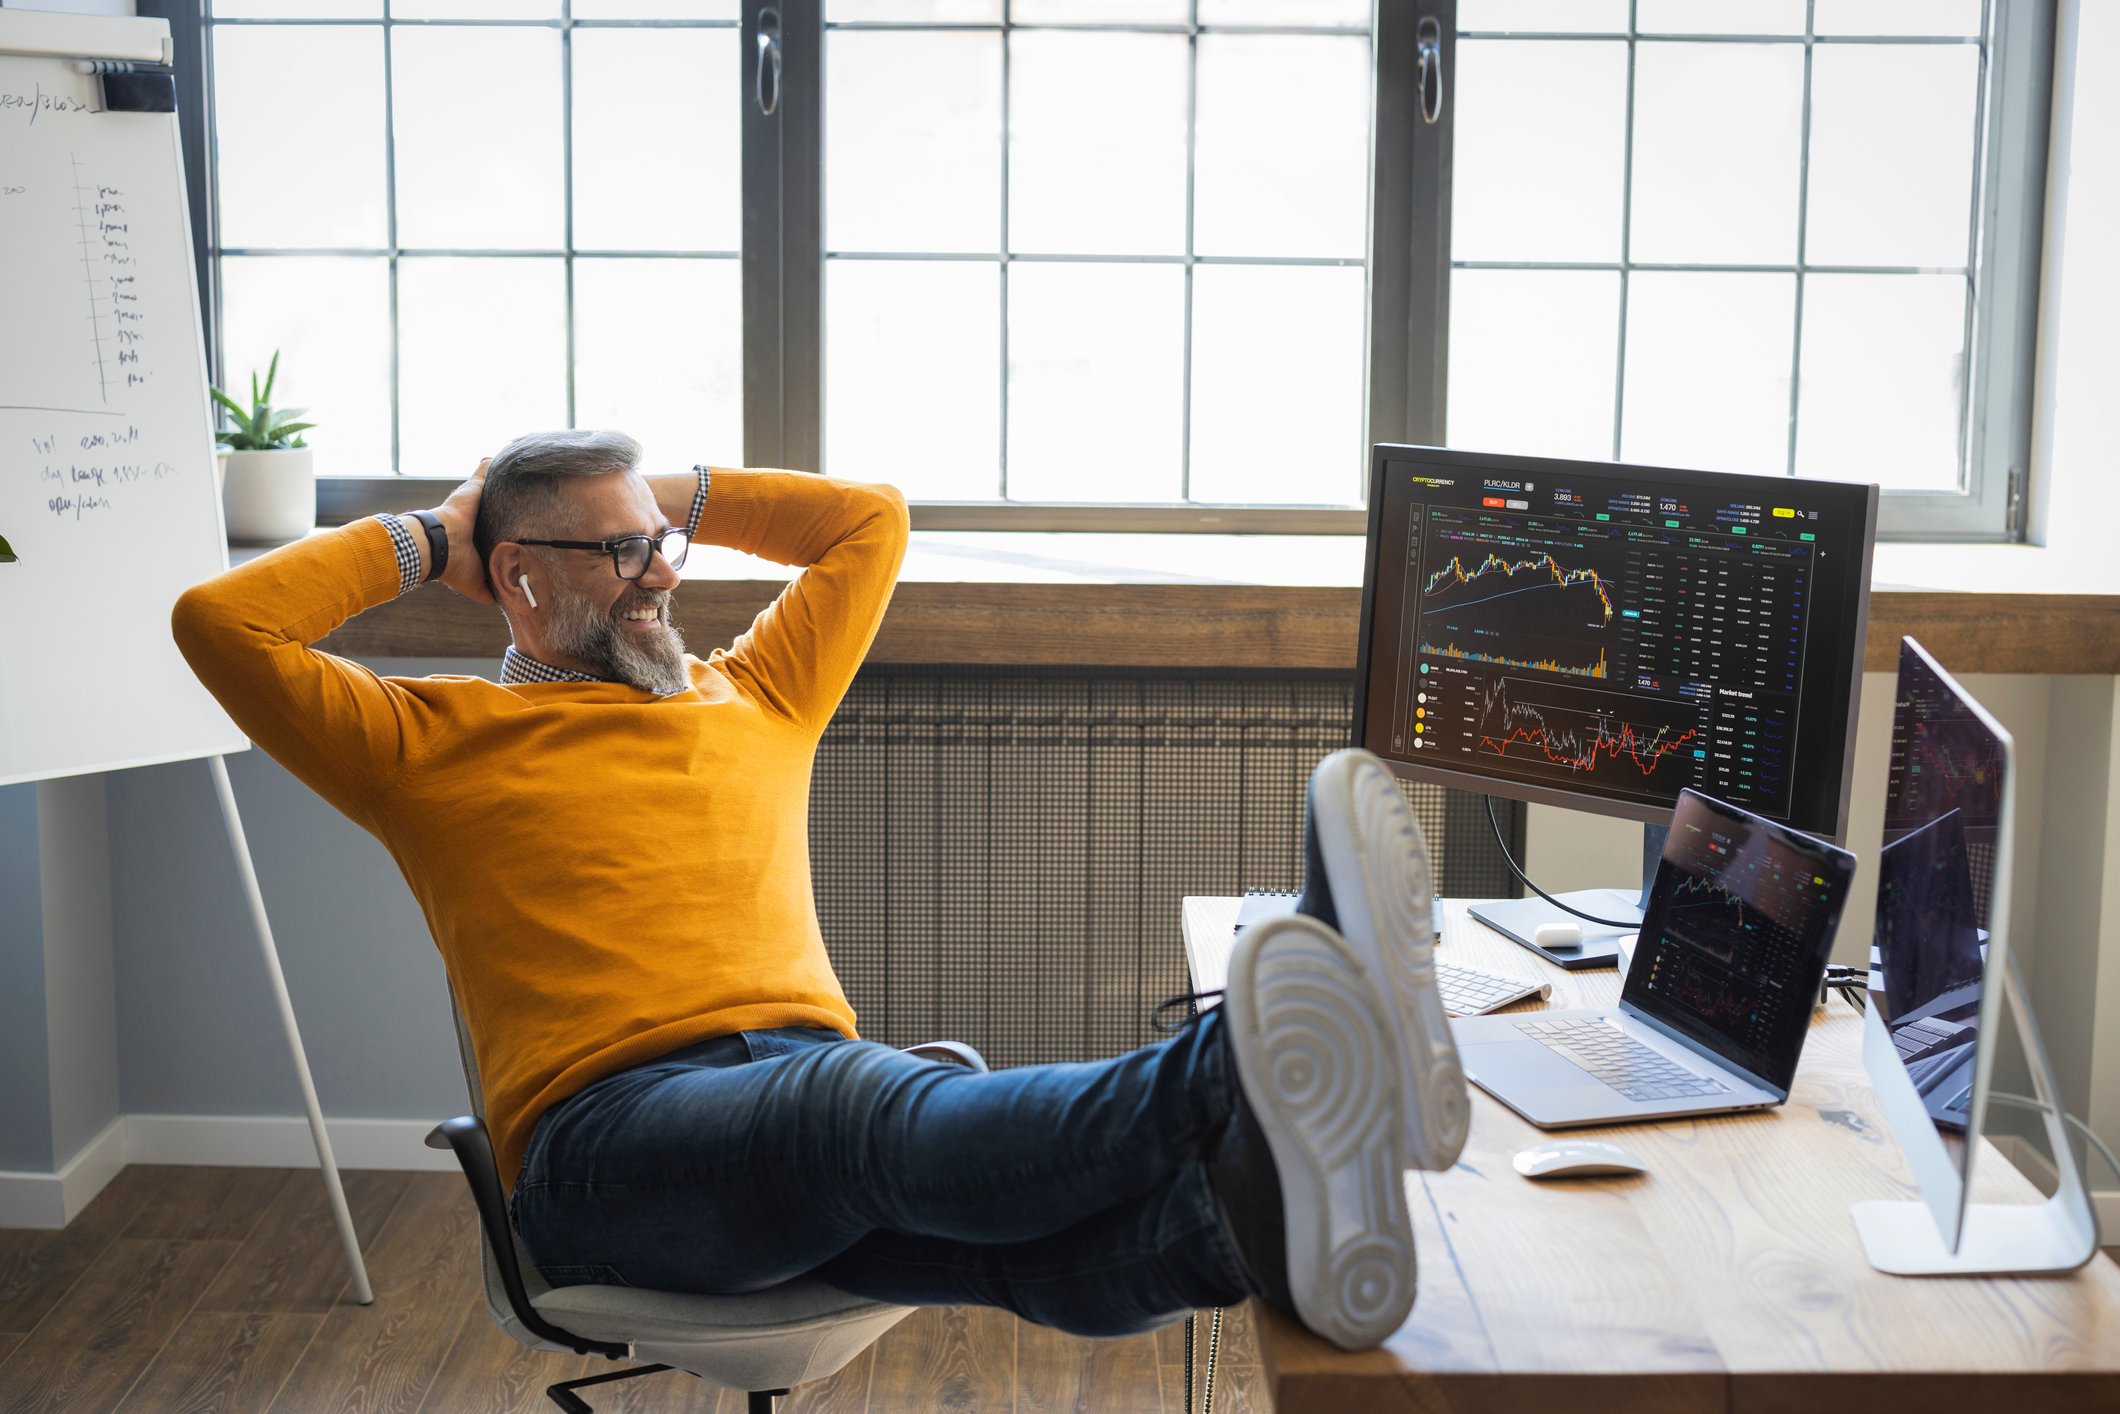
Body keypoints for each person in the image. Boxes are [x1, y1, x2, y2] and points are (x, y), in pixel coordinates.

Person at [171, 429, 1468, 1351]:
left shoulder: (755, 689)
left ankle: (1257, 1230)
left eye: (664, 540)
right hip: (608, 1154)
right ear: (518, 577)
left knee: (1018, 1245)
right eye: (621, 552)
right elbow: (218, 625)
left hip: (787, 1104)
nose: (666, 571)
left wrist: (665, 485)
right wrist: (432, 535)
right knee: (862, 1105)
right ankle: (1262, 1058)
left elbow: (870, 519)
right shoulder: (421, 737)